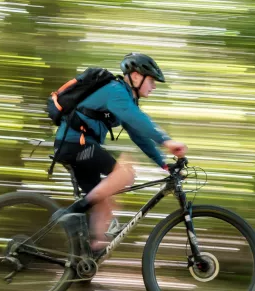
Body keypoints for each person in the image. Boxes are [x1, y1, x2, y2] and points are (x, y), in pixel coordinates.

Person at [50, 53, 187, 254]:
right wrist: (167, 141)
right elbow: (139, 120)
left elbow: (139, 135)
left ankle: (86, 259)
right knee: (126, 173)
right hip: (75, 145)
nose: (154, 86)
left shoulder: (126, 99)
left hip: (83, 148)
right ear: (137, 77)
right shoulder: (116, 91)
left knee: (105, 202)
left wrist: (163, 163)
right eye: (152, 81)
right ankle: (71, 213)